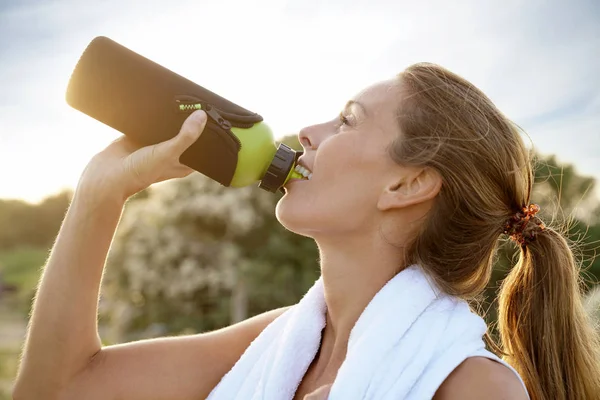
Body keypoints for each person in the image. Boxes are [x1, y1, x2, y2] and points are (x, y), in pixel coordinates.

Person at [13, 63, 600, 400]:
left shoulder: (473, 389)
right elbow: (57, 389)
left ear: (406, 185)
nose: (307, 131)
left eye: (347, 120)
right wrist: (99, 195)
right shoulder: (276, 342)